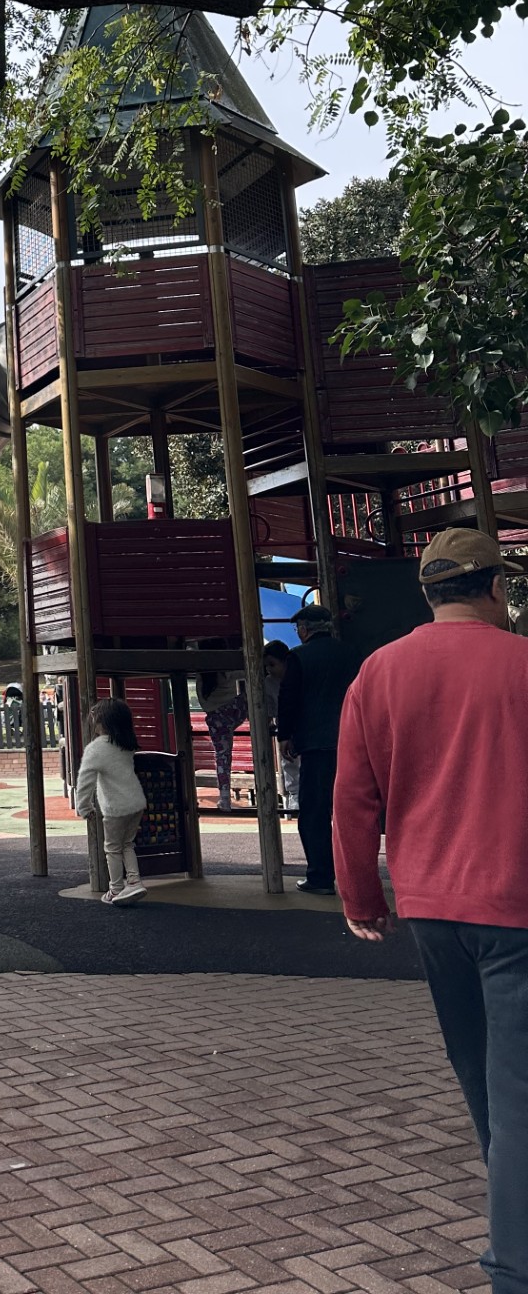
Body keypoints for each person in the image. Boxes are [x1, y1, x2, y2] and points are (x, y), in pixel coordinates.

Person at [334, 528, 528, 1294]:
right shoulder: (522, 664)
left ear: (427, 592)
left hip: (429, 908)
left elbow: (354, 799)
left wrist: (361, 896)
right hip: (515, 905)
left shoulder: (379, 673)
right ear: (495, 589)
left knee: (481, 1078)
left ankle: (516, 1223)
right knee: (517, 1093)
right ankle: (513, 1266)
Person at [279, 600, 356, 892]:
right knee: (352, 812)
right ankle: (357, 878)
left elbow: (289, 698)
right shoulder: (351, 654)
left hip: (315, 744)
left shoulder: (298, 657)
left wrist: (285, 735)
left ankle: (320, 877)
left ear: (304, 629)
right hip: (351, 743)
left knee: (314, 812)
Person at [74, 697, 147, 905]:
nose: (94, 724)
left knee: (112, 848)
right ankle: (134, 881)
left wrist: (84, 807)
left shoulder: (96, 748)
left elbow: (85, 780)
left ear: (104, 722)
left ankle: (115, 889)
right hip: (136, 803)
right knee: (127, 844)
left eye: (96, 720)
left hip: (115, 807)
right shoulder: (126, 744)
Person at [195, 670, 246, 811]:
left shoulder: (201, 674)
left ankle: (224, 798)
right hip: (232, 710)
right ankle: (268, 718)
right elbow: (245, 673)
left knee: (222, 757)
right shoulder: (226, 671)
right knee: (252, 693)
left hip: (214, 717)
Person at [262, 640, 301, 814]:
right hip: (284, 726)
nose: (269, 669)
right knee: (289, 762)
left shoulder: (297, 675)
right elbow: (269, 709)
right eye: (267, 666)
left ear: (285, 661)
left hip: (299, 724)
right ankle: (294, 795)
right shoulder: (269, 683)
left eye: (272, 664)